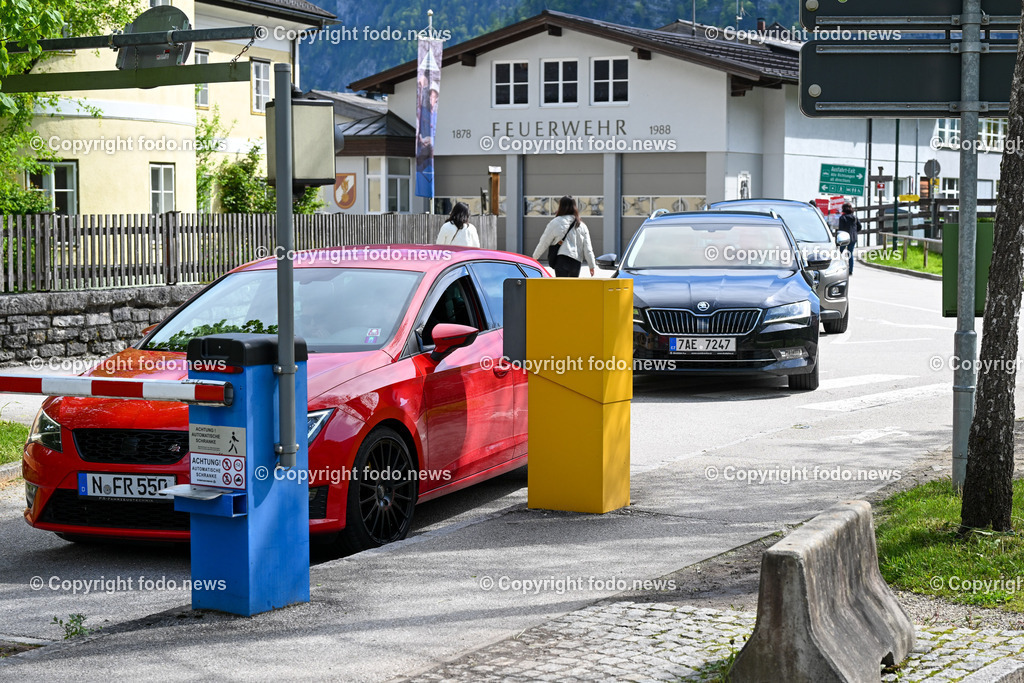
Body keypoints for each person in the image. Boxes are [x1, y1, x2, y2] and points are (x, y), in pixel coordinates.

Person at [532, 195, 596, 277]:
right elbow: (588, 248)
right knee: (572, 288)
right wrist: (592, 266)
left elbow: (544, 242)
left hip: (561, 260)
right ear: (574, 207)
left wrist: (534, 258)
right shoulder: (582, 225)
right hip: (576, 262)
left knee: (561, 288)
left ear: (561, 206)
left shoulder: (555, 222)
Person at [838, 202, 860, 274]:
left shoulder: (842, 218)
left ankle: (838, 267)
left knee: (839, 253)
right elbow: (859, 227)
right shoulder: (855, 218)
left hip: (844, 238)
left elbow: (840, 228)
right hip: (853, 238)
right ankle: (851, 270)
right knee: (850, 254)